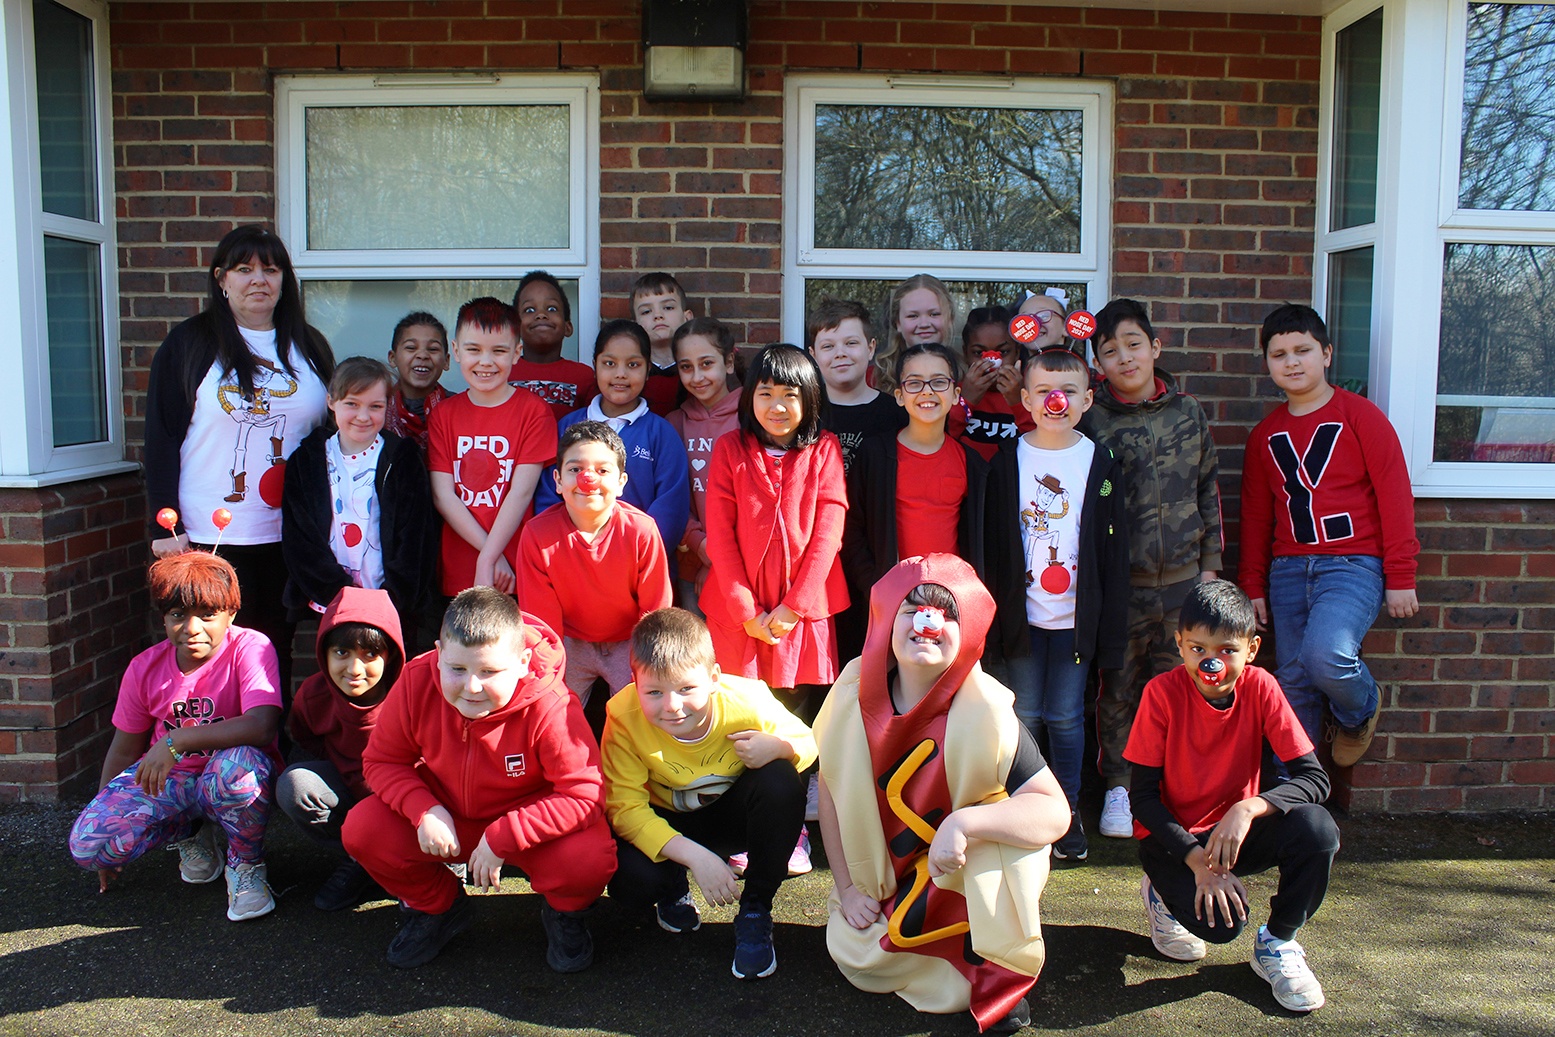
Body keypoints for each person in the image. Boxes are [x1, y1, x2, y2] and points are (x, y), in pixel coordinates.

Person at [814, 555, 1070, 1034]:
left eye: (946, 613)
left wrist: (965, 823)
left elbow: (1054, 813)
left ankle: (994, 974)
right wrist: (847, 889)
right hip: (889, 878)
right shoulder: (850, 697)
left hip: (961, 872)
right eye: (911, 610)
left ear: (967, 631)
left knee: (1016, 851)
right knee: (855, 949)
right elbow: (830, 793)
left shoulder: (987, 711)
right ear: (886, 621)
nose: (927, 623)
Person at [341, 587, 617, 969]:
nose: (471, 687)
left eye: (489, 672)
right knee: (363, 829)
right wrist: (424, 810)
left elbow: (585, 794)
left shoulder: (552, 704)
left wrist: (507, 833)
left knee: (589, 858)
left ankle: (565, 913)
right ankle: (438, 907)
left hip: (526, 823)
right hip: (448, 814)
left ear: (522, 662)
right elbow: (382, 760)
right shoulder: (416, 680)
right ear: (439, 652)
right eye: (457, 669)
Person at [1125, 580, 1339, 1013]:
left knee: (1317, 829)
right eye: (1198, 649)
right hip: (1173, 841)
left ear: (1251, 649)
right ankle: (1162, 894)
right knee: (1222, 928)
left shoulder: (1262, 687)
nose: (1212, 663)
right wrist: (1196, 862)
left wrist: (1249, 807)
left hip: (1231, 835)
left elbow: (1314, 779)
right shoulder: (1161, 694)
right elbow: (1142, 799)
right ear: (1180, 644)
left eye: (1227, 650)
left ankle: (1277, 942)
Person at [144, 224, 334, 694]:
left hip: (288, 534)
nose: (258, 280)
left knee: (273, 650)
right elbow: (161, 438)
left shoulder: (308, 346)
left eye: (270, 270)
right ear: (221, 279)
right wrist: (163, 527)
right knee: (208, 654)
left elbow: (329, 436)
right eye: (245, 269)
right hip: (207, 535)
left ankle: (266, 737)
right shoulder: (189, 345)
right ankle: (208, 740)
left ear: (284, 280)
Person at [1237, 304, 1420, 764]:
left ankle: (1360, 709)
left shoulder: (1361, 417)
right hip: (1287, 570)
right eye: (1279, 354)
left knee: (1327, 657)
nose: (1292, 362)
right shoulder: (1265, 435)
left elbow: (1395, 497)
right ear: (1267, 362)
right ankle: (1298, 787)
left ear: (1327, 354)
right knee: (1293, 680)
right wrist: (1252, 584)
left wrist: (1401, 575)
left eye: (1303, 350)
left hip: (1352, 565)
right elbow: (1256, 517)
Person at [69, 552, 283, 922]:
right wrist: (107, 821)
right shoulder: (144, 667)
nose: (192, 628)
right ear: (164, 619)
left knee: (237, 771)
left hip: (229, 776)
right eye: (177, 615)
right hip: (174, 782)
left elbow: (262, 724)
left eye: (208, 614)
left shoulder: (251, 647)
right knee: (91, 845)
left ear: (231, 614)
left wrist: (176, 741)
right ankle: (191, 833)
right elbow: (124, 751)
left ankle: (245, 865)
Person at [602, 608, 814, 980]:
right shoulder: (622, 715)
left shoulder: (747, 699)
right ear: (634, 683)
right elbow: (625, 808)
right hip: (669, 824)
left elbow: (809, 742)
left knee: (781, 778)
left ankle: (756, 908)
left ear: (714, 678)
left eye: (686, 688)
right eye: (654, 692)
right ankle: (671, 886)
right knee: (629, 883)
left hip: (729, 818)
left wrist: (780, 747)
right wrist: (696, 858)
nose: (672, 706)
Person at [1081, 299, 1224, 842]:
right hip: (1123, 587)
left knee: (1182, 686)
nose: (1124, 357)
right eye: (1110, 350)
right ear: (1098, 363)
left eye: (1133, 344)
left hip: (1185, 583)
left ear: (1155, 347)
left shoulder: (1187, 412)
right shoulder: (1092, 421)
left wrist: (1210, 566)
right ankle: (1119, 787)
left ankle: (1176, 787)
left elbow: (1208, 488)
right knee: (1117, 689)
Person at [986, 344, 1129, 862]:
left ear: (1087, 400)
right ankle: (1027, 811)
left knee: (1066, 717)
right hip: (1021, 621)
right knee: (1026, 714)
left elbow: (1113, 548)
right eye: (1044, 391)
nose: (1056, 401)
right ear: (1025, 399)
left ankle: (1066, 813)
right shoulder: (1007, 461)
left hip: (1075, 620)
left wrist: (1109, 626)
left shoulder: (1100, 461)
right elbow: (993, 547)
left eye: (1068, 391)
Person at [700, 344, 849, 720]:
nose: (776, 406)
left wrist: (794, 607)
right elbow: (719, 534)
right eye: (765, 394)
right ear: (750, 397)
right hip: (740, 609)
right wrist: (746, 610)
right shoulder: (730, 449)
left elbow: (828, 535)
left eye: (789, 395)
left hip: (800, 608)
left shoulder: (824, 450)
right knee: (736, 711)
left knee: (795, 716)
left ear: (809, 399)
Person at [841, 342, 994, 664]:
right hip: (888, 601)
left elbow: (982, 542)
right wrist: (876, 587)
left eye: (938, 382)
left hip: (950, 605)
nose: (927, 391)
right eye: (914, 383)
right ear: (899, 395)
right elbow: (851, 530)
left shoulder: (971, 463)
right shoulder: (875, 455)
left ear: (956, 393)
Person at [517, 421, 673, 706]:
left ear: (621, 482)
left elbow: (655, 612)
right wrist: (548, 680)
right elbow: (542, 627)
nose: (587, 479)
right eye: (575, 469)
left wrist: (646, 668)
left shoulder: (641, 531)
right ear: (557, 480)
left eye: (602, 471)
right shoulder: (537, 535)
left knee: (641, 709)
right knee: (548, 704)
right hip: (569, 642)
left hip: (630, 640)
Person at [281, 356, 436, 633]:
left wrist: (394, 595)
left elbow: (416, 536)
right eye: (352, 404)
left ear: (387, 406)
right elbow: (300, 538)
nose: (363, 416)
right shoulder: (306, 460)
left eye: (375, 406)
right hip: (330, 601)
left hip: (389, 603)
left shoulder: (402, 459)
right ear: (331, 401)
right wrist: (335, 591)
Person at [275, 586, 403, 910]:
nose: (354, 669)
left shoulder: (410, 695)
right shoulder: (313, 695)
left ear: (390, 655)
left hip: (405, 801)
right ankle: (361, 858)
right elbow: (307, 738)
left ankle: (419, 862)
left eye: (370, 654)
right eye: (342, 652)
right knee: (295, 784)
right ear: (324, 653)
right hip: (351, 794)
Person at [426, 297, 557, 597]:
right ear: (456, 350)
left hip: (515, 568)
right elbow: (443, 495)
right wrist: (489, 557)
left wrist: (489, 558)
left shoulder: (534, 411)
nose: (485, 361)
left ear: (517, 353)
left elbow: (521, 492)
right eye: (474, 349)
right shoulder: (444, 414)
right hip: (462, 566)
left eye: (498, 351)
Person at [533, 320, 691, 555]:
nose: (620, 374)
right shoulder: (567, 427)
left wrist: (632, 557)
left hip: (640, 563)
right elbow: (548, 498)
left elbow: (670, 510)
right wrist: (575, 553)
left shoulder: (662, 434)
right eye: (609, 363)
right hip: (572, 560)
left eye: (633, 364)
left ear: (648, 369)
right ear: (594, 366)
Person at [667, 316, 743, 610]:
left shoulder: (752, 418)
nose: (697, 376)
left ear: (728, 363)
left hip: (743, 564)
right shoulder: (674, 423)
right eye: (686, 367)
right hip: (691, 564)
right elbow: (672, 496)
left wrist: (719, 560)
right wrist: (700, 545)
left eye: (706, 363)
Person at [807, 297, 905, 474]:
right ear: (813, 355)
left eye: (851, 343)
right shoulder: (804, 415)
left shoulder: (898, 415)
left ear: (870, 348)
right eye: (828, 346)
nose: (840, 353)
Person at [950, 305, 1033, 462]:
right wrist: (965, 402)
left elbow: (1041, 443)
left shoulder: (1030, 394)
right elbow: (941, 441)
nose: (992, 362)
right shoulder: (953, 393)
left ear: (1017, 352)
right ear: (965, 353)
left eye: (1003, 352)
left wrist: (1018, 403)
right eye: (979, 353)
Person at [509, 270, 596, 421]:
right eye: (529, 310)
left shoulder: (584, 376)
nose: (541, 315)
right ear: (515, 328)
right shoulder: (504, 372)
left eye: (552, 309)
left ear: (567, 327)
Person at [383, 311, 451, 455]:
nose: (422, 355)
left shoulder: (459, 410)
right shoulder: (377, 409)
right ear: (392, 358)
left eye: (433, 349)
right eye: (411, 348)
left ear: (446, 361)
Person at [875, 274, 954, 393]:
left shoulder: (966, 375)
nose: (924, 324)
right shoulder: (875, 377)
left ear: (950, 319)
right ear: (898, 322)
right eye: (913, 316)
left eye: (934, 314)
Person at [631, 271, 694, 415]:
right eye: (646, 311)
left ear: (687, 317)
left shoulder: (700, 371)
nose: (658, 315)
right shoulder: (631, 374)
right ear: (635, 325)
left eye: (668, 308)